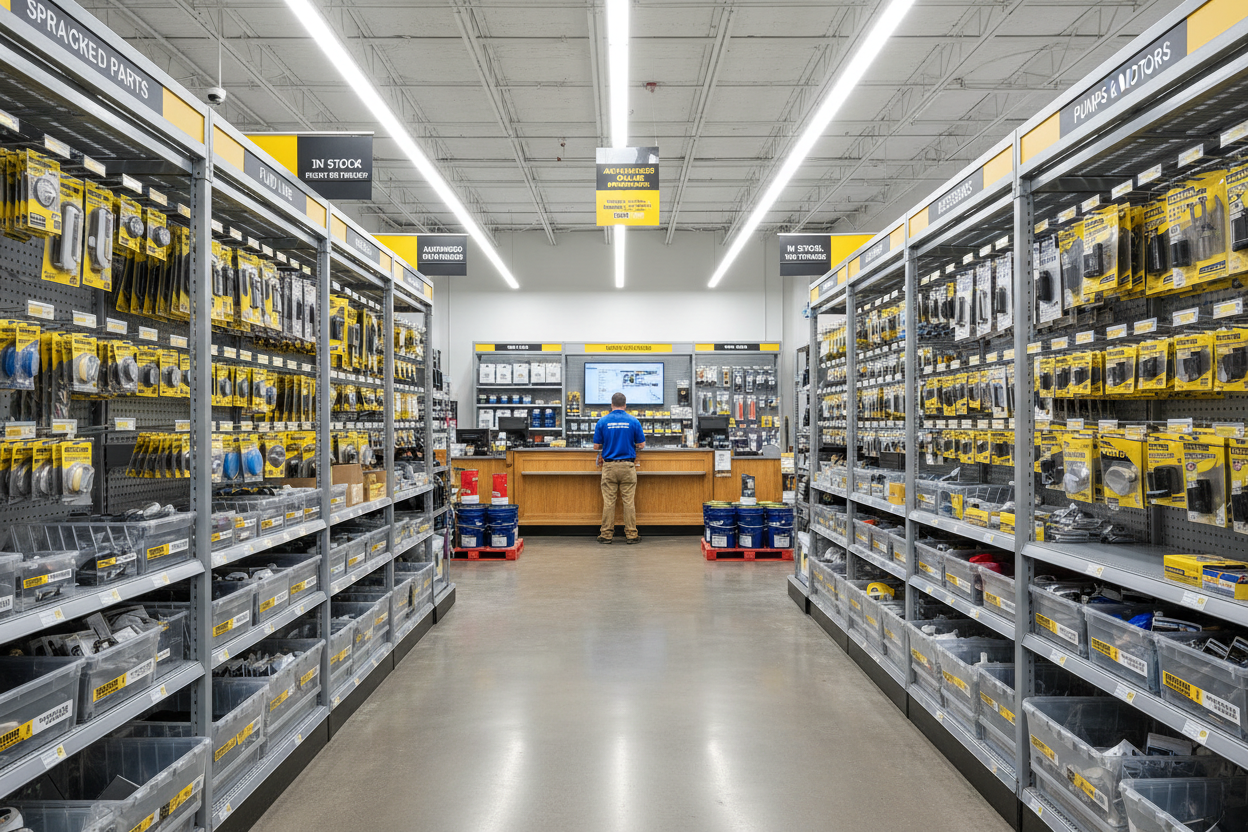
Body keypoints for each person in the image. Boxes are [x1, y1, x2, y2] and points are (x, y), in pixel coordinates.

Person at [593, 391, 645, 544]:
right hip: (628, 466)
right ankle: (631, 535)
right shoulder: (633, 421)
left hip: (609, 466)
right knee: (628, 501)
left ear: (611, 404)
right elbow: (641, 444)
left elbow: (596, 446)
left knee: (609, 501)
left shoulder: (602, 421)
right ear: (625, 404)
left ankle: (606, 535)